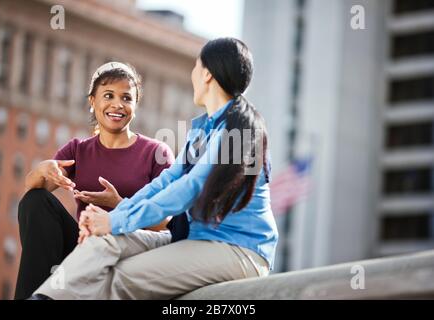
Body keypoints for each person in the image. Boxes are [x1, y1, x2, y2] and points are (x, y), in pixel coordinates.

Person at [31, 38, 279, 300]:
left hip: (238, 250)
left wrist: (114, 220)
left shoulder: (236, 132)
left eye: (196, 67)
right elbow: (166, 182)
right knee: (103, 243)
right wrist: (112, 221)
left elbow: (188, 188)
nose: (192, 75)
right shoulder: (202, 131)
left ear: (206, 74)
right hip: (193, 238)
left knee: (121, 276)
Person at [14, 62, 174, 300]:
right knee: (35, 200)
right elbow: (33, 194)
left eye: (126, 98)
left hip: (130, 255)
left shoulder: (155, 152)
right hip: (84, 251)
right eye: (108, 95)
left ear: (135, 105)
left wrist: (120, 205)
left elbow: (169, 223)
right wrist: (42, 171)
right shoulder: (78, 150)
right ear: (92, 102)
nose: (117, 104)